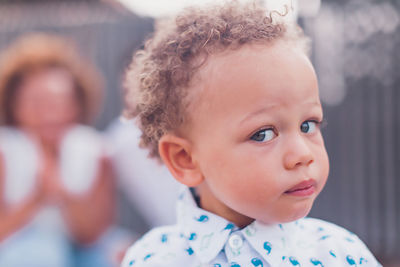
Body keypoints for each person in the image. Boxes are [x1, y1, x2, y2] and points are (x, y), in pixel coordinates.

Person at [121, 1, 382, 266]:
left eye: (308, 125)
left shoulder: (340, 253)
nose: (303, 155)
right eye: (263, 134)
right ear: (185, 158)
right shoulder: (152, 259)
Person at [0, 33, 116, 267]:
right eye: (37, 102)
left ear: (77, 103)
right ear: (14, 105)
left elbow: (92, 235)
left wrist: (62, 194)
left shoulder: (96, 151)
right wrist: (37, 198)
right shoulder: (4, 151)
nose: (49, 114)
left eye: (59, 102)